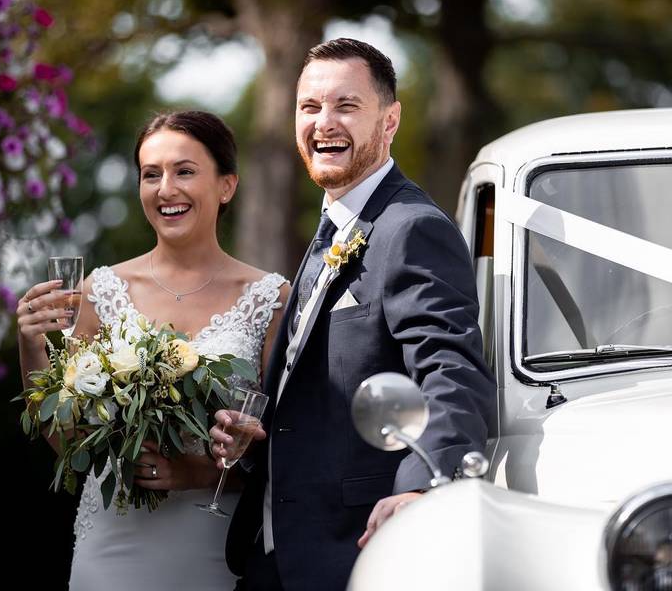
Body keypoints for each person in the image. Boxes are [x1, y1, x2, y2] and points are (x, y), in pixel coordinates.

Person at [211, 38, 497, 591]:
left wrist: (421, 488)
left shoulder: (412, 228)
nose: (324, 123)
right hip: (273, 556)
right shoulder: (332, 229)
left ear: (389, 122)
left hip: (354, 553)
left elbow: (451, 371)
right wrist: (254, 439)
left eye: (346, 105)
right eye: (310, 107)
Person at [16, 110, 289, 590]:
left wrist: (197, 471)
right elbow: (66, 443)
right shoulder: (100, 292)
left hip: (218, 547)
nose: (166, 189)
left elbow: (289, 448)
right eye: (151, 174)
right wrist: (31, 346)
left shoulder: (270, 299)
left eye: (185, 171)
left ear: (227, 186)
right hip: (114, 545)